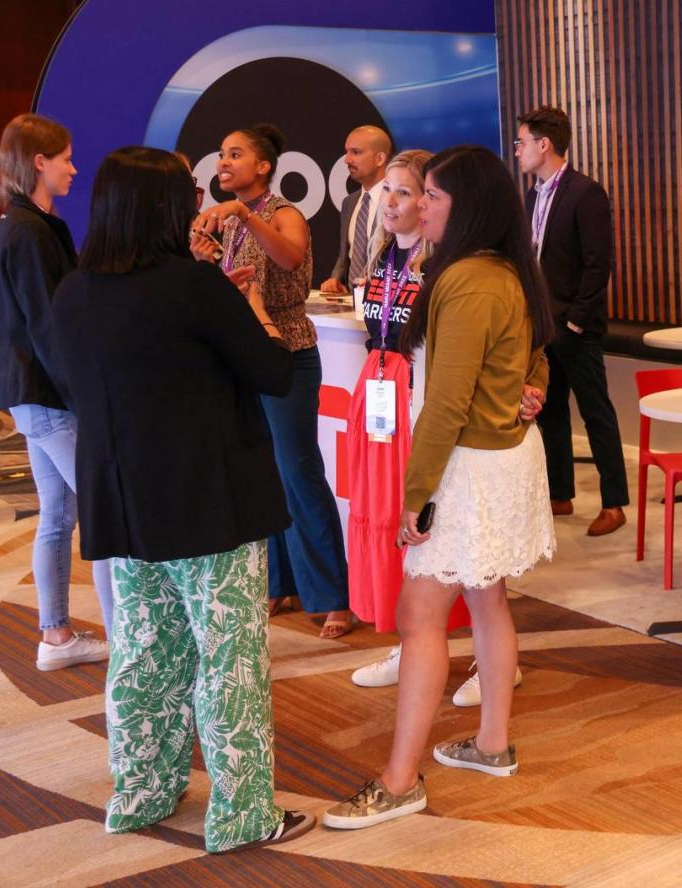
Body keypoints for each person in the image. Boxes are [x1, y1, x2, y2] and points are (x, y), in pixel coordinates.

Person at [51, 146, 313, 853]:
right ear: (165, 208)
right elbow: (271, 372)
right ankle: (241, 816)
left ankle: (138, 792)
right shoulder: (195, 287)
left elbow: (61, 375)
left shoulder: (75, 290)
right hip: (210, 502)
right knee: (228, 662)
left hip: (124, 502)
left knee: (143, 655)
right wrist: (249, 304)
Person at [324, 145, 555, 829]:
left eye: (433, 196)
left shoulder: (466, 280)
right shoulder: (499, 271)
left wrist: (413, 497)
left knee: (420, 617)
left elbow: (446, 402)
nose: (418, 206)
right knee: (486, 600)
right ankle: (490, 743)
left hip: (470, 468)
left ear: (467, 207)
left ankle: (399, 781)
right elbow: (533, 348)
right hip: (501, 459)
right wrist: (531, 385)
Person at [346, 150, 499, 702]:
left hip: (425, 397)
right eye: (388, 191)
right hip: (382, 388)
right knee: (392, 519)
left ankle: (491, 657)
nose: (391, 202)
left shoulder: (448, 269)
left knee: (446, 520)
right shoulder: (387, 254)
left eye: (407, 192)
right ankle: (410, 641)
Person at [195, 124, 351, 637]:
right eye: (221, 153)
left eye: (235, 154)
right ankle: (280, 584)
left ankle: (334, 597)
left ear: (263, 167)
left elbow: (291, 259)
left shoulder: (283, 213)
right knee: (266, 473)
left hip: (288, 353)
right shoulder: (228, 221)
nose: (224, 161)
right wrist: (208, 260)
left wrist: (242, 214)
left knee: (299, 472)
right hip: (246, 356)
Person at [0, 112, 113, 670]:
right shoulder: (27, 231)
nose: (74, 167)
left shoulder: (27, 225)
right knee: (106, 513)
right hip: (48, 397)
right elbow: (49, 326)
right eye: (65, 158)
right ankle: (128, 642)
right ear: (39, 161)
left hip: (33, 395)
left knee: (59, 515)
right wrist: (88, 392)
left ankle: (55, 637)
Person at [515, 105, 629, 537]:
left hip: (576, 328)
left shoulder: (586, 193)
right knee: (550, 412)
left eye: (522, 142)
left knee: (596, 412)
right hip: (541, 327)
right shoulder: (530, 196)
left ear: (544, 145)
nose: (518, 151)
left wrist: (578, 322)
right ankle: (560, 494)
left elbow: (599, 265)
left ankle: (614, 503)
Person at [319, 125, 392, 295]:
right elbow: (348, 252)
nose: (347, 160)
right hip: (353, 305)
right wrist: (335, 278)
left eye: (356, 152)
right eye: (347, 152)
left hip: (386, 303)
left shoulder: (396, 202)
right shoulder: (349, 203)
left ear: (380, 158)